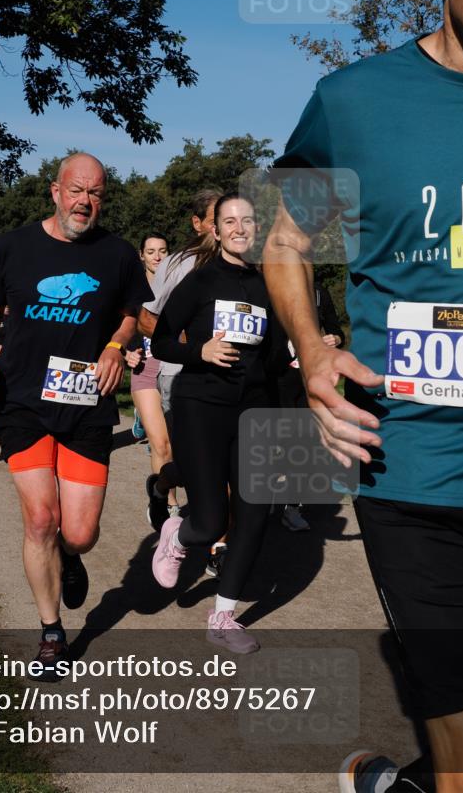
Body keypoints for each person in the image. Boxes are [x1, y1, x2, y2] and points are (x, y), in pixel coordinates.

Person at [263, 0, 463, 793]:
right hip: (418, 483)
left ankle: (387, 784)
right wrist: (312, 349)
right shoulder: (355, 101)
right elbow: (285, 238)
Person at [0, 153, 152, 676]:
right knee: (41, 519)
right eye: (76, 190)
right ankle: (51, 631)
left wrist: (117, 346)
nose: (84, 202)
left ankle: (69, 558)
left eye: (95, 194)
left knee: (79, 533)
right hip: (23, 401)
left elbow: (130, 315)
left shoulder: (117, 254)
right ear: (55, 191)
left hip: (85, 403)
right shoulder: (14, 245)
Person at [151, 193, 287, 654]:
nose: (238, 228)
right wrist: (200, 352)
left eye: (247, 220)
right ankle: (178, 535)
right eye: (229, 220)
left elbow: (277, 359)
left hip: (256, 410)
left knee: (254, 513)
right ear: (216, 229)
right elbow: (163, 342)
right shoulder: (200, 279)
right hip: (201, 405)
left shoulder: (271, 285)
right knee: (210, 521)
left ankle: (223, 617)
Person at [137, 188, 222, 540]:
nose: (226, 229)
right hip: (179, 375)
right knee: (190, 461)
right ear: (198, 223)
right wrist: (188, 345)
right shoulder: (179, 263)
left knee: (227, 462)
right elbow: (145, 319)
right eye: (218, 221)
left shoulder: (248, 263)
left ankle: (220, 547)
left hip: (232, 378)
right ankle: (163, 487)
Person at [279, 280, 346, 531]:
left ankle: (292, 506)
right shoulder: (270, 286)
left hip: (310, 377)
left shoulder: (319, 291)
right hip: (278, 377)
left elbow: (336, 330)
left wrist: (335, 338)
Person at [129, 232, 181, 520]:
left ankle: (163, 489)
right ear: (142, 255)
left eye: (163, 250)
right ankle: (168, 503)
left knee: (175, 443)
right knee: (160, 443)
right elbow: (118, 325)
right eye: (151, 251)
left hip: (175, 368)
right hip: (145, 369)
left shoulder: (178, 286)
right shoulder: (133, 290)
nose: (157, 256)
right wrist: (126, 352)